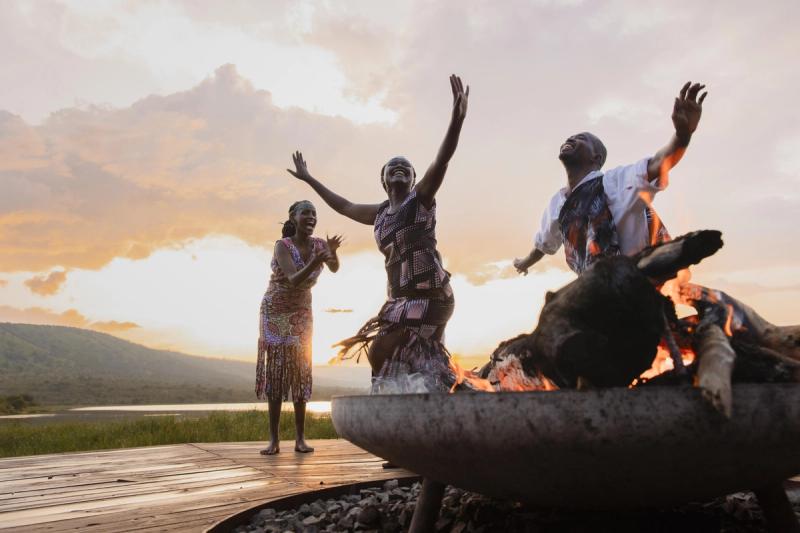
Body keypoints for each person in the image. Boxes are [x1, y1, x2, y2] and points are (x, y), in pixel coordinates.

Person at [286, 74, 469, 393]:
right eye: (392, 167)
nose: (399, 168)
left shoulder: (420, 200)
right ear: (383, 180)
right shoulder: (380, 214)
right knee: (420, 361)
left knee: (383, 347)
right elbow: (343, 205)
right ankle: (443, 402)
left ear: (413, 180)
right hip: (400, 298)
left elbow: (442, 160)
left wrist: (456, 119)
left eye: (407, 168)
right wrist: (308, 178)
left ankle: (398, 403)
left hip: (431, 295)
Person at [513, 82, 708, 275]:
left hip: (635, 285)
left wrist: (682, 136)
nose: (571, 140)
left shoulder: (615, 183)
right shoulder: (558, 203)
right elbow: (544, 243)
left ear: (595, 158)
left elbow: (658, 163)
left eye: (581, 139)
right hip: (594, 289)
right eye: (570, 138)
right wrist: (524, 263)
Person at [256, 200, 342, 455]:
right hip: (275, 311)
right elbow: (293, 279)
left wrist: (333, 252)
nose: (311, 216)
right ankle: (273, 440)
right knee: (277, 371)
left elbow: (335, 268)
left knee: (301, 371)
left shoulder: (319, 245)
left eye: (314, 213)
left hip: (302, 313)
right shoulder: (282, 246)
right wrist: (316, 261)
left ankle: (300, 439)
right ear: (293, 218)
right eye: (306, 212)